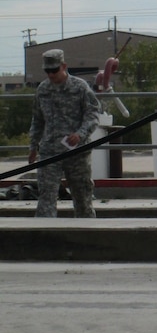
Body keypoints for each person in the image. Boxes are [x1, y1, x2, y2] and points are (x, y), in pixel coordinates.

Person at [28, 49, 101, 218]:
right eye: (47, 71)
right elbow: (37, 120)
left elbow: (93, 114)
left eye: (54, 70)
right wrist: (33, 146)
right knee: (46, 197)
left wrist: (81, 133)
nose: (51, 75)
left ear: (64, 66)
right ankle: (46, 237)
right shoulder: (42, 90)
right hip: (50, 151)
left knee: (82, 196)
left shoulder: (80, 87)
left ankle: (86, 236)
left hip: (76, 152)